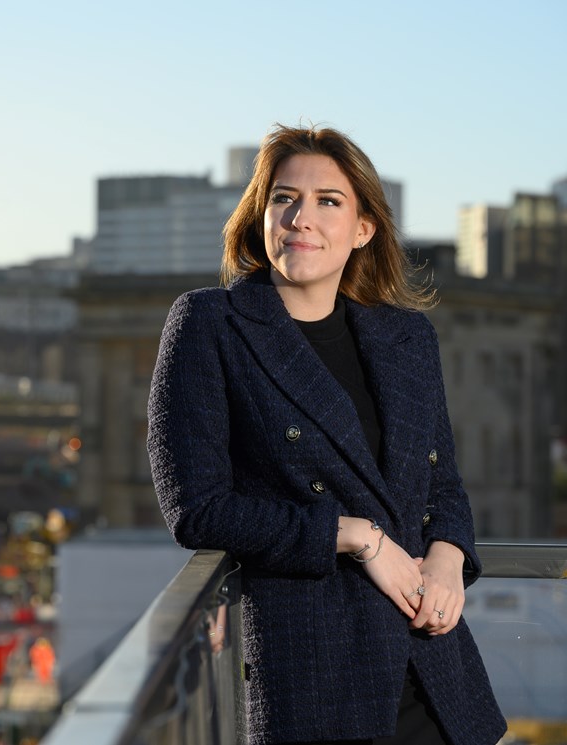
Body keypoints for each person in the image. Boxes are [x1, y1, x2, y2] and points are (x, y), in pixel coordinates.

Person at [147, 124, 506, 745]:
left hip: (435, 663)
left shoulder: (406, 337)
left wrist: (449, 556)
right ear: (261, 216)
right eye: (283, 198)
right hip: (317, 672)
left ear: (363, 229)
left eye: (328, 201)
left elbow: (441, 481)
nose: (300, 218)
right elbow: (197, 510)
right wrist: (354, 536)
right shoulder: (210, 323)